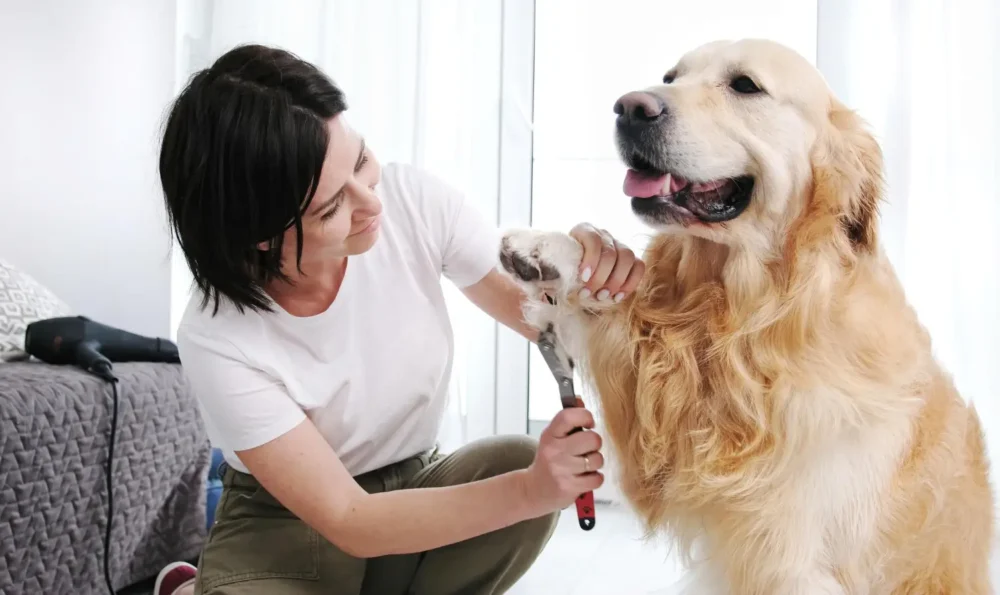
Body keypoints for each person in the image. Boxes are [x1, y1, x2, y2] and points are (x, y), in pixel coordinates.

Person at [153, 43, 645, 595]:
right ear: (259, 235)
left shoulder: (412, 201)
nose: (372, 203)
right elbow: (348, 519)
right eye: (332, 205)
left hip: (414, 477)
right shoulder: (217, 337)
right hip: (289, 522)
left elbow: (545, 319)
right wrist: (531, 491)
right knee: (522, 483)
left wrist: (587, 272)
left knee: (515, 460)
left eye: (362, 161)